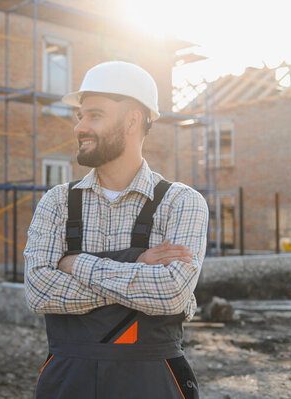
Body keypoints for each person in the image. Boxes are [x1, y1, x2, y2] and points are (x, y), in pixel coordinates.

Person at [23, 61, 209, 399]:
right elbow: (38, 291)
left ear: (132, 120)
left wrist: (75, 264)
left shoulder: (182, 202)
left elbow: (171, 294)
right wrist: (139, 270)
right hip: (67, 382)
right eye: (80, 116)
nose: (80, 127)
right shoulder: (58, 202)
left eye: (94, 115)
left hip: (154, 383)